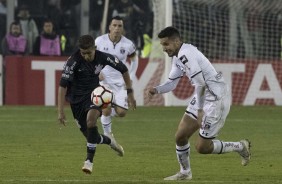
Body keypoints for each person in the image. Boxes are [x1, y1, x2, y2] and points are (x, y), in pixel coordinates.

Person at [147, 26, 251, 181]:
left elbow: (200, 84)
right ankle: (185, 172)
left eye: (166, 44)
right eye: (162, 45)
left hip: (216, 99)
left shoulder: (185, 54)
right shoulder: (178, 57)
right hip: (203, 96)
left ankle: (240, 146)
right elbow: (171, 83)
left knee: (202, 147)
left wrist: (201, 110)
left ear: (176, 41)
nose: (164, 48)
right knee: (180, 136)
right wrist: (156, 90)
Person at [57, 35, 136, 174]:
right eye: (83, 53)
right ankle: (110, 141)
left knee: (91, 120)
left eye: (89, 52)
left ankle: (89, 162)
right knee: (91, 137)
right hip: (76, 102)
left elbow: (123, 69)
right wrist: (60, 111)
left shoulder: (103, 57)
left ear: (95, 48)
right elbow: (62, 86)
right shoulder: (73, 62)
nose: (86, 56)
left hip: (95, 96)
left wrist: (129, 93)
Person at [95, 16, 139, 148]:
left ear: (122, 28)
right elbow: (92, 58)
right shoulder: (100, 41)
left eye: (120, 26)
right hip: (104, 81)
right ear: (109, 27)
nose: (117, 28)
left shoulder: (128, 44)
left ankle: (105, 112)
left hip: (120, 82)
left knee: (122, 113)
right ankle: (108, 134)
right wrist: (98, 72)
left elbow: (135, 60)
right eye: (114, 25)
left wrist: (130, 76)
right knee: (106, 108)